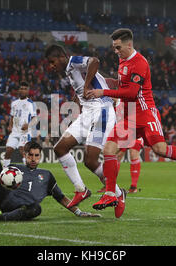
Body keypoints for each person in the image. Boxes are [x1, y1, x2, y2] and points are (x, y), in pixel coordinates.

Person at [86, 28, 176, 215]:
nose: (115, 51)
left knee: (160, 150)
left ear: (129, 44)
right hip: (129, 114)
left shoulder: (139, 62)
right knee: (109, 150)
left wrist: (103, 92)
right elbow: (124, 85)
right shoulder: (122, 60)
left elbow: (131, 93)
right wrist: (107, 82)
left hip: (146, 113)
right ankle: (112, 194)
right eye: (114, 48)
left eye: (118, 47)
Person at [44, 44, 125, 212]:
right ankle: (81, 190)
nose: (51, 66)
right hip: (87, 113)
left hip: (102, 111)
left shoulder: (73, 61)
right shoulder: (69, 72)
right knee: (60, 148)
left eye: (52, 62)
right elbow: (83, 87)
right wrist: (77, 100)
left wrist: (87, 85)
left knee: (90, 160)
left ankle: (117, 193)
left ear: (61, 57)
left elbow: (94, 61)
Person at [0, 141, 101, 221]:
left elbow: (61, 198)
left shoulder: (47, 175)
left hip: (25, 208)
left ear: (40, 156)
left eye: (36, 155)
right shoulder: (13, 169)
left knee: (36, 208)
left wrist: (79, 212)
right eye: (30, 155)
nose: (33, 158)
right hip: (6, 200)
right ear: (25, 155)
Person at [2, 81, 37, 167]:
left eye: (25, 89)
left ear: (28, 91)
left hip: (25, 132)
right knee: (8, 151)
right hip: (15, 132)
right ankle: (5, 169)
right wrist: (10, 126)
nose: (23, 90)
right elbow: (12, 116)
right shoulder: (14, 103)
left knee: (22, 149)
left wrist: (28, 125)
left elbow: (35, 119)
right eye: (21, 88)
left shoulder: (31, 103)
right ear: (18, 90)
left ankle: (28, 169)